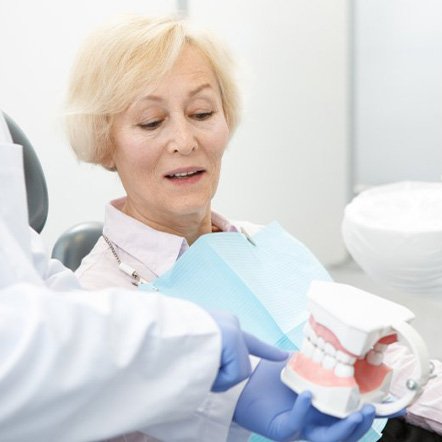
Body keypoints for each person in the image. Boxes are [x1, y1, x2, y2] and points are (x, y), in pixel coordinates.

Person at [63, 15, 381, 442]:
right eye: (151, 122)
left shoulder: (261, 243)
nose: (184, 140)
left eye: (201, 113)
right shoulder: (96, 303)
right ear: (105, 142)